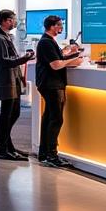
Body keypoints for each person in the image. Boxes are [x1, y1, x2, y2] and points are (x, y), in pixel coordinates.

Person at [35, 14, 84, 168]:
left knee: (49, 118)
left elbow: (58, 60)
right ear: (52, 26)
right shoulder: (46, 42)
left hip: (50, 84)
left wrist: (69, 56)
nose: (61, 27)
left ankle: (44, 153)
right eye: (59, 25)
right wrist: (74, 58)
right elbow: (56, 65)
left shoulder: (48, 41)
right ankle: (52, 155)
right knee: (56, 119)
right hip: (52, 85)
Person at [0, 10, 35, 160]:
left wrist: (21, 73)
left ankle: (8, 147)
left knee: (14, 113)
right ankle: (3, 149)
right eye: (12, 20)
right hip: (5, 80)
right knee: (7, 115)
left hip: (12, 79)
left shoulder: (6, 36)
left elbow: (10, 58)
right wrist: (24, 59)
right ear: (4, 21)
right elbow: (4, 61)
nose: (14, 23)